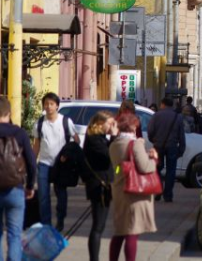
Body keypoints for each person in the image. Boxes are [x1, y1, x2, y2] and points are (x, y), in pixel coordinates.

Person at [109, 113, 158, 261]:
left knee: (120, 231)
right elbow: (145, 167)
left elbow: (119, 167)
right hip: (134, 193)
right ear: (131, 126)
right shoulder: (135, 144)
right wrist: (154, 158)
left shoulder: (114, 144)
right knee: (132, 231)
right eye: (135, 125)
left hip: (119, 189)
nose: (136, 127)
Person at [32, 92, 79, 231]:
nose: (49, 106)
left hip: (61, 165)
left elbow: (76, 140)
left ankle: (60, 220)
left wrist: (68, 155)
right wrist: (31, 163)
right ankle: (46, 224)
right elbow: (36, 145)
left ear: (57, 106)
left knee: (61, 194)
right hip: (44, 164)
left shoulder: (66, 121)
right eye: (46, 104)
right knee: (43, 196)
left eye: (51, 104)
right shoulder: (39, 123)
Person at [0, 97, 36, 260]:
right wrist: (30, 186)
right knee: (14, 235)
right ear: (9, 112)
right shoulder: (19, 133)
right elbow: (31, 162)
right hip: (16, 189)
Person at [83, 111, 116, 261]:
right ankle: (94, 259)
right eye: (110, 123)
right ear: (100, 123)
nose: (112, 126)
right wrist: (115, 136)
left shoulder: (101, 138)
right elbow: (109, 155)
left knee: (100, 226)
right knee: (98, 226)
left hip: (104, 185)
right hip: (98, 186)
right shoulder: (93, 140)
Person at [147, 98, 185, 203]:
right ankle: (168, 195)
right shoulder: (177, 117)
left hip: (158, 146)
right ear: (171, 105)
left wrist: (153, 140)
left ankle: (158, 191)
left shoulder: (156, 115)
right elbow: (181, 135)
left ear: (162, 104)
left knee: (157, 169)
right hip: (172, 146)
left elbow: (150, 131)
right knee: (171, 170)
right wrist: (181, 148)